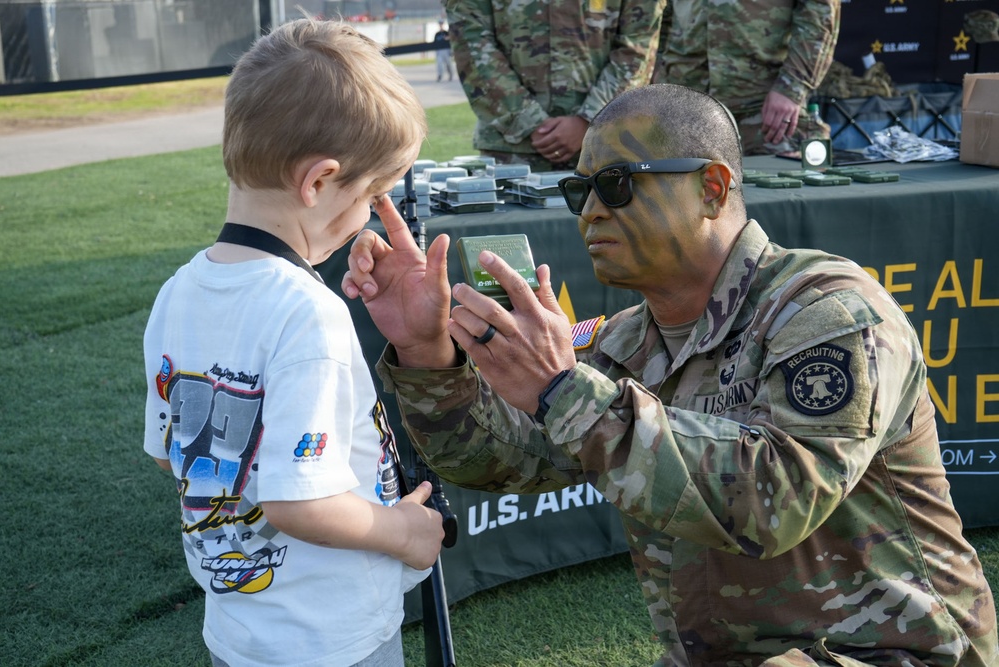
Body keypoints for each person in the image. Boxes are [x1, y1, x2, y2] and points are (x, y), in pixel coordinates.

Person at [343, 83, 999, 665]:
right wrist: (429, 355)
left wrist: (564, 389)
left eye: (618, 184)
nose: (590, 211)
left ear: (711, 188)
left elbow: (776, 502)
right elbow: (508, 461)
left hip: (892, 650)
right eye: (580, 189)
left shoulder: (829, 310)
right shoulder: (629, 338)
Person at [142, 19, 444, 667]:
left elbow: (172, 456)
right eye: (370, 196)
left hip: (239, 626)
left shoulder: (178, 292)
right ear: (318, 182)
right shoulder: (310, 313)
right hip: (330, 633)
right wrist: (407, 532)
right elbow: (298, 501)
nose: (368, 215)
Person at [444, 0, 666, 171]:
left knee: (611, 228)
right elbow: (471, 42)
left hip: (606, 146)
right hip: (512, 148)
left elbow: (638, 46)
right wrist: (528, 121)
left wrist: (591, 120)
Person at [653, 0, 840, 155]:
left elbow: (819, 17)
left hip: (762, 105)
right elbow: (659, 14)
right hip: (686, 102)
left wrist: (792, 88)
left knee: (781, 191)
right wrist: (658, 68)